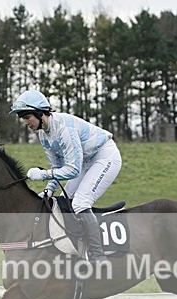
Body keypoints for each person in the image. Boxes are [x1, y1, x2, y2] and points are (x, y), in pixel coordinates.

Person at [9, 89, 122, 264]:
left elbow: (72, 170)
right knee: (63, 202)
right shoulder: (43, 134)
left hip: (105, 157)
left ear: (40, 113)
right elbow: (58, 167)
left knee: (80, 202)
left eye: (27, 117)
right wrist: (48, 190)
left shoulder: (63, 129)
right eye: (22, 118)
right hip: (85, 161)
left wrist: (43, 175)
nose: (25, 122)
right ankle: (75, 247)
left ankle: (98, 255)